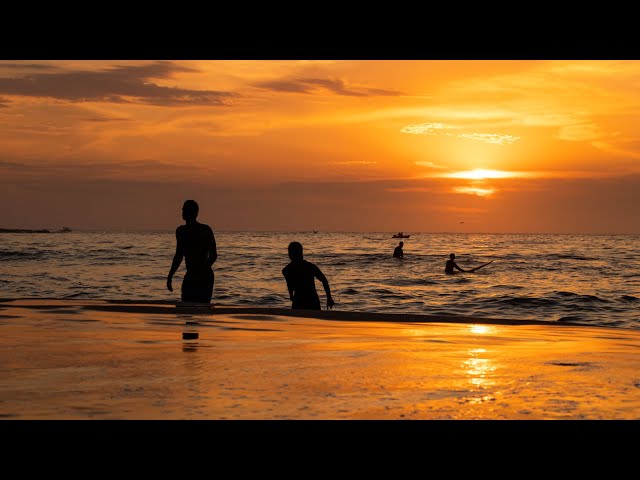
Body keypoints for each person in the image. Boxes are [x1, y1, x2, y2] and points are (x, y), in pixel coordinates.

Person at [167, 200, 218, 303]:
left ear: (194, 213)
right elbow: (179, 255)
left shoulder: (205, 230)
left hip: (204, 275)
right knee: (186, 308)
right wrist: (170, 276)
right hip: (191, 274)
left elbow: (213, 255)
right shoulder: (181, 231)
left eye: (185, 210)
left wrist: (201, 270)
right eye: (183, 210)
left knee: (202, 308)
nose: (183, 212)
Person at [282, 241, 335, 310]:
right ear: (301, 253)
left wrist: (291, 295)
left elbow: (289, 285)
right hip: (312, 301)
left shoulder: (286, 270)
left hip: (299, 302)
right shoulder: (310, 267)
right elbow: (324, 280)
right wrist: (329, 298)